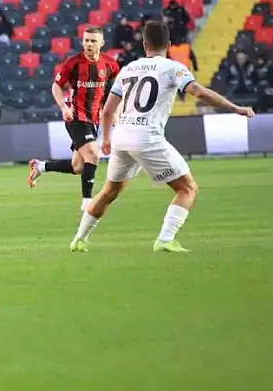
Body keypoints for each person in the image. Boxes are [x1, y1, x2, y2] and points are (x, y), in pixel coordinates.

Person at [70, 21, 255, 253]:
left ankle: (79, 239)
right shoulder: (172, 68)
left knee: (109, 191)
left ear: (144, 44)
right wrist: (234, 108)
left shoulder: (128, 68)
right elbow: (197, 91)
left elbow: (107, 111)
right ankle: (165, 239)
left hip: (121, 137)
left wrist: (106, 139)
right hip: (146, 137)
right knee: (187, 189)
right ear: (168, 45)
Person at [28, 27, 120, 213]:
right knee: (93, 155)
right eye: (86, 40)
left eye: (93, 41)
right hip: (76, 116)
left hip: (93, 119)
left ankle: (40, 166)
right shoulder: (73, 63)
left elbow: (113, 88)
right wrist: (63, 107)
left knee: (78, 166)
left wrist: (113, 110)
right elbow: (56, 86)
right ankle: (87, 202)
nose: (89, 44)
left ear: (101, 43)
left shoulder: (110, 64)